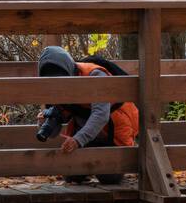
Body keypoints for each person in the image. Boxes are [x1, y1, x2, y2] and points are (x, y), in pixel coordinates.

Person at [36, 46, 138, 184]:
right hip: (86, 133)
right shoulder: (52, 86)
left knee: (109, 177)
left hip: (112, 131)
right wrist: (44, 122)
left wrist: (77, 140)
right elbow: (54, 133)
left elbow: (101, 115)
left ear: (69, 71)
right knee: (72, 175)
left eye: (61, 79)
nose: (59, 84)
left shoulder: (95, 74)